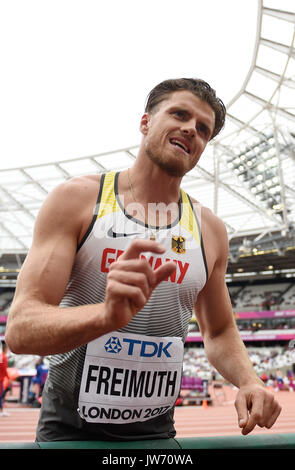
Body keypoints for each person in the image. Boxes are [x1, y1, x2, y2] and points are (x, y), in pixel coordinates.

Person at [6, 78, 281, 441]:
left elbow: (218, 330)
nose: (191, 129)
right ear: (145, 122)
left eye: (203, 129)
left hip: (158, 434)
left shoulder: (210, 230)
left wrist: (249, 380)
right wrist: (105, 316)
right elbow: (21, 329)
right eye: (179, 114)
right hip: (70, 434)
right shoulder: (77, 200)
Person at [0, 342, 9, 417]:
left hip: (1, 378)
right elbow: (4, 368)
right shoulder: (4, 357)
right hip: (1, 378)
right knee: (1, 394)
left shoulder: (1, 357)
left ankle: (1, 410)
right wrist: (8, 377)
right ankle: (1, 411)